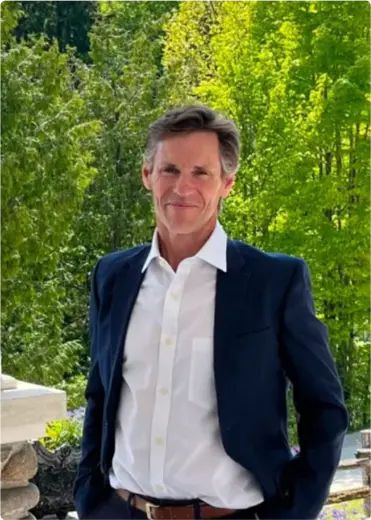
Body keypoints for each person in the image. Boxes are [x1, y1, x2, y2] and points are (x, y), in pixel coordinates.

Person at [73, 105, 348, 520]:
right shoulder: (112, 276)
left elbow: (325, 407)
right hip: (121, 510)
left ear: (227, 184)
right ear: (147, 176)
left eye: (201, 173)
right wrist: (89, 496)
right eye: (169, 170)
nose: (182, 187)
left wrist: (294, 512)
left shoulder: (273, 281)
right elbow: (100, 393)